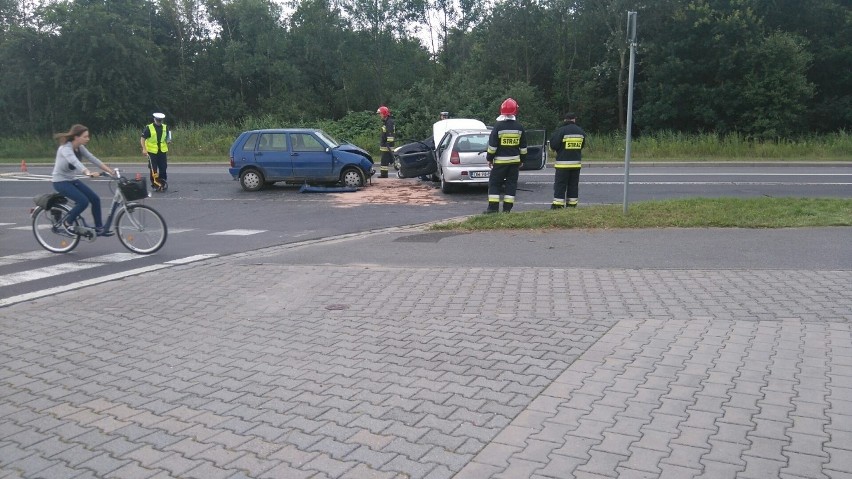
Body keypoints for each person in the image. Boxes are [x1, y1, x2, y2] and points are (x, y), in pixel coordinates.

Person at [51, 124, 115, 236]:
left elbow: (92, 158)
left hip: (71, 179)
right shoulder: (65, 148)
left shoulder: (79, 147)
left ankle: (99, 228)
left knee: (95, 199)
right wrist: (87, 172)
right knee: (83, 201)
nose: (88, 139)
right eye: (85, 136)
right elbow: (75, 162)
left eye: (88, 136)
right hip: (60, 181)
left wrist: (110, 171)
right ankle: (67, 222)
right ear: (76, 137)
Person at [484, 98, 527, 213]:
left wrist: (489, 159)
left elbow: (492, 146)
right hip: (514, 163)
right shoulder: (519, 127)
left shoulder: (498, 127)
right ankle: (507, 210)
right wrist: (522, 160)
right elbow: (523, 147)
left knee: (494, 184)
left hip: (500, 163)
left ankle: (493, 209)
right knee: (511, 185)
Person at [549, 112, 586, 208]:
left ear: (565, 120)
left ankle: (557, 206)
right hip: (576, 165)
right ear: (574, 119)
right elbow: (581, 146)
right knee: (573, 186)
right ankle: (572, 206)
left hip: (563, 165)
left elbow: (553, 145)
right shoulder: (581, 131)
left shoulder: (561, 131)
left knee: (560, 185)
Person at [140, 112, 171, 191]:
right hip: (152, 151)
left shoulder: (165, 127)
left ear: (162, 120)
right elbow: (142, 139)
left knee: (163, 167)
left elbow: (168, 136)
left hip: (162, 150)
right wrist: (144, 148)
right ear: (154, 119)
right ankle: (155, 184)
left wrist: (168, 140)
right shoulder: (149, 128)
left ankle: (162, 182)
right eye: (158, 120)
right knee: (153, 168)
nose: (159, 122)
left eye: (160, 120)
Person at [376, 106, 395, 178]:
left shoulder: (389, 122)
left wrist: (388, 144)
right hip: (386, 145)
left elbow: (390, 134)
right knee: (387, 160)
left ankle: (384, 174)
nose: (379, 115)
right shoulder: (386, 122)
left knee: (385, 161)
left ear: (384, 113)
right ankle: (384, 174)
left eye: (380, 114)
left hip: (387, 146)